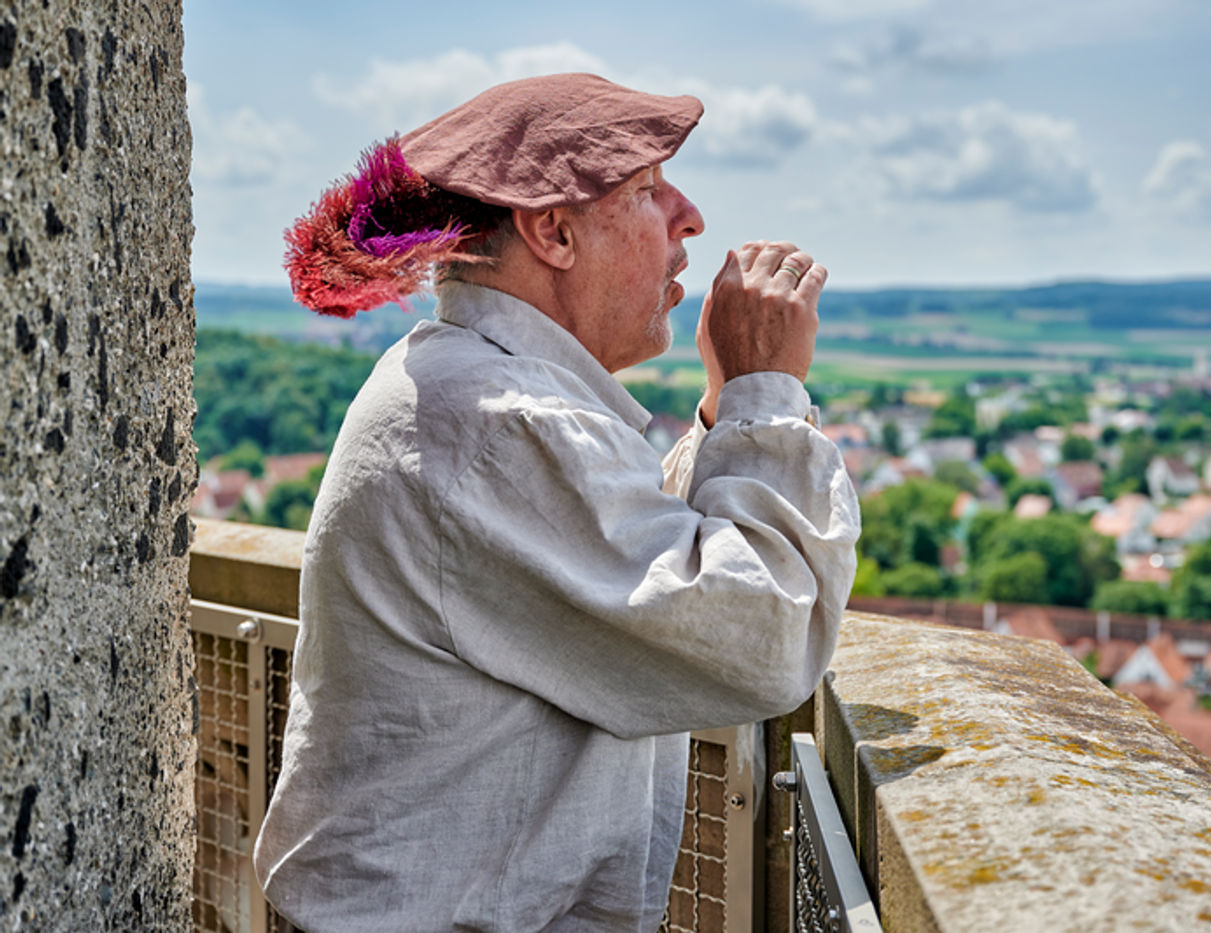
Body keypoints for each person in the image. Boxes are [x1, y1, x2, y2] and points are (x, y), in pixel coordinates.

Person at [253, 73, 859, 932]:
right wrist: (766, 392)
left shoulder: (475, 388)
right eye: (647, 189)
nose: (688, 216)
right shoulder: (501, 423)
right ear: (554, 229)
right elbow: (762, 635)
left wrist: (727, 408)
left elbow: (641, 569)